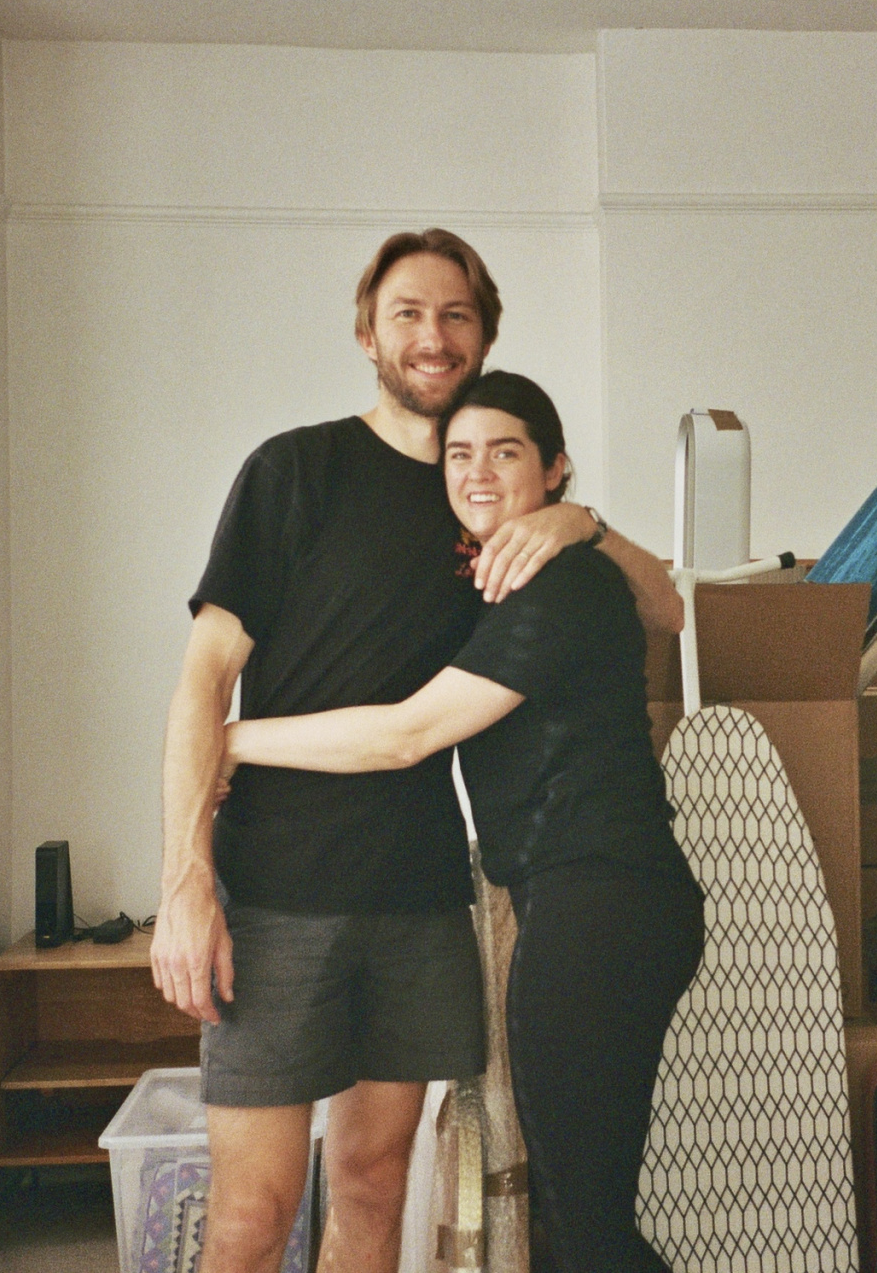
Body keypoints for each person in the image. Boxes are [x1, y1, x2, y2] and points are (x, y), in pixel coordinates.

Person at [150, 230, 682, 1273]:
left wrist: (581, 520)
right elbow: (202, 681)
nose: (431, 337)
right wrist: (185, 878)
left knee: (373, 1187)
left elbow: (662, 603)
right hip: (275, 892)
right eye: (407, 313)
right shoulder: (295, 469)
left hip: (419, 896)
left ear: (482, 337)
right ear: (367, 333)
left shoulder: (496, 511)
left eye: (454, 316)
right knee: (254, 1215)